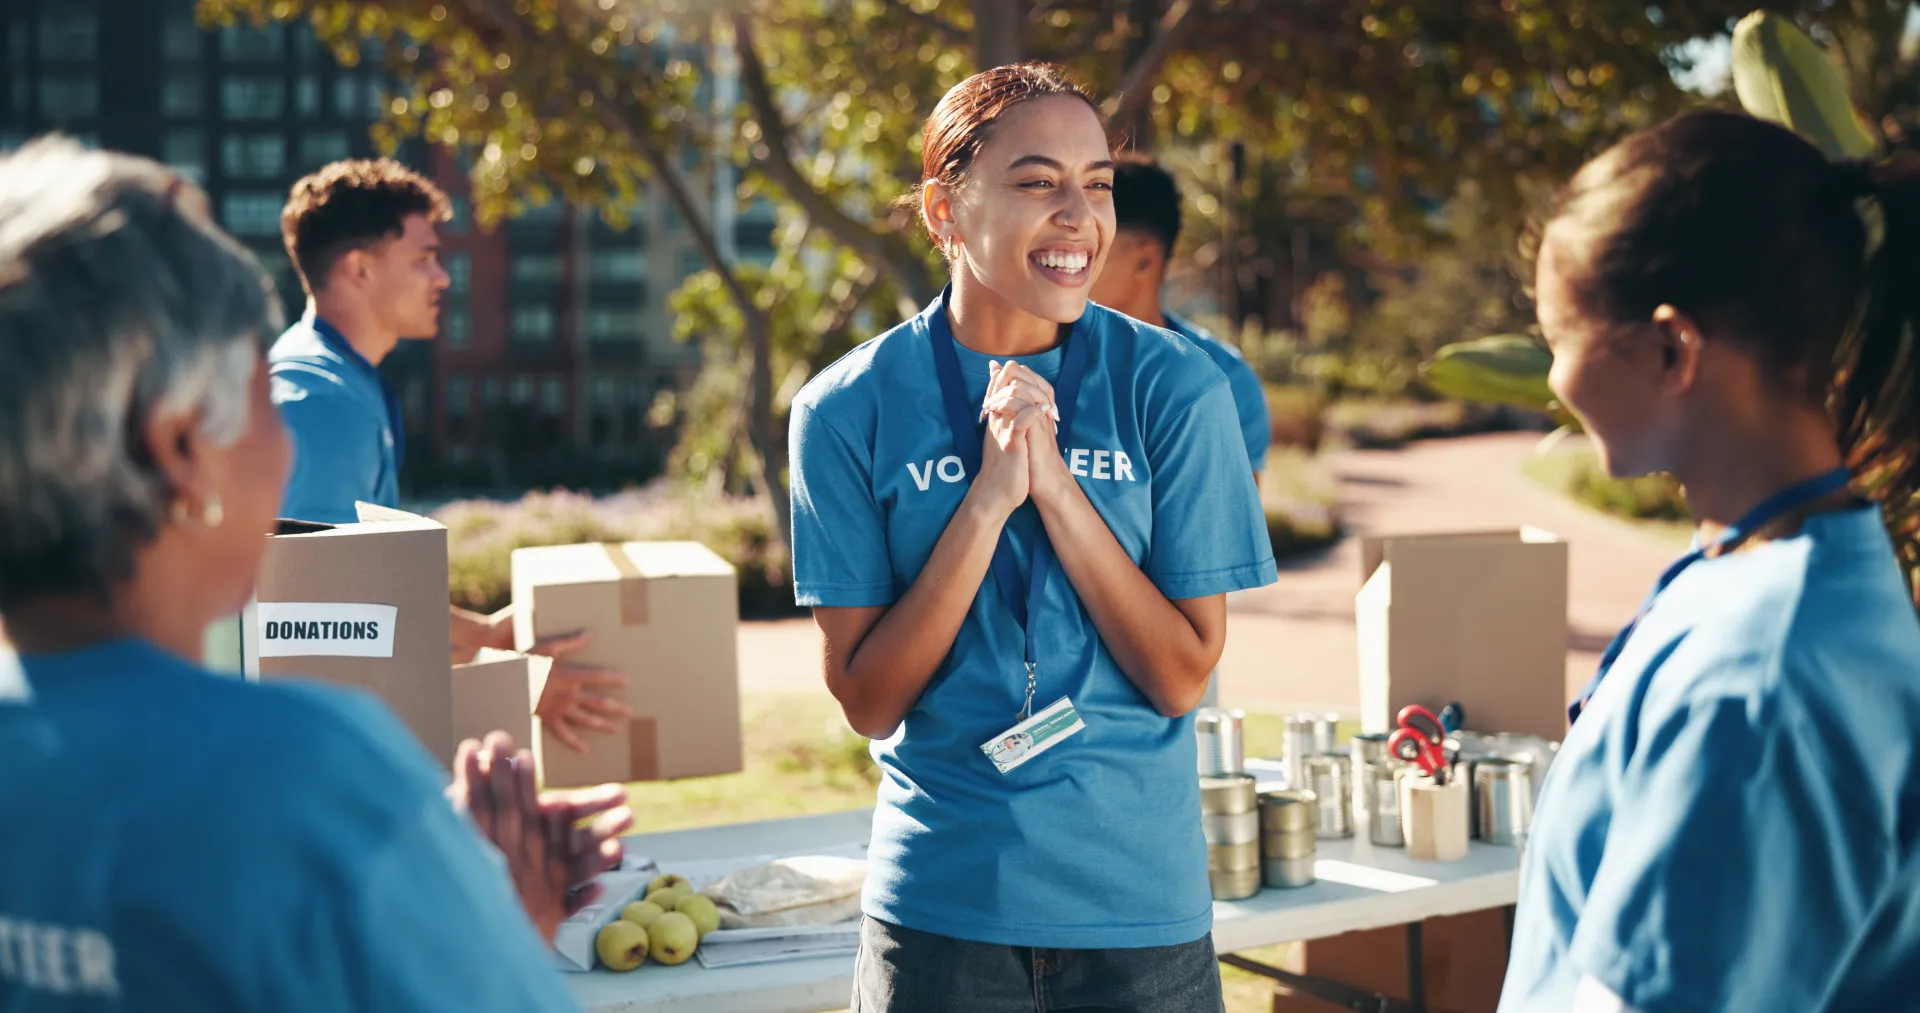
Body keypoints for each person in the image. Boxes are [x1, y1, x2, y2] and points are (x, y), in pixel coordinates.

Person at [0, 137, 625, 1009]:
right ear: (180, 448)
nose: (284, 438)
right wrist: (502, 924)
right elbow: (336, 621)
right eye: (260, 395)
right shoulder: (315, 777)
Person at [788, 64, 1276, 1012]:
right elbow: (869, 695)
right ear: (944, 209)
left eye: (1096, 184)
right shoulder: (845, 409)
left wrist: (1054, 488)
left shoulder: (1176, 389)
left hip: (1141, 914)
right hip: (941, 912)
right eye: (1037, 181)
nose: (1079, 216)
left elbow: (1181, 672)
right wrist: (987, 500)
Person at [1500, 109, 1920, 1012]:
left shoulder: (1762, 677)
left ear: (1670, 348)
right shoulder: (1766, 570)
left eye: (1559, 341)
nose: (1553, 383)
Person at [270, 159, 627, 754]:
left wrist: (482, 636)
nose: (443, 277)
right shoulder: (320, 405)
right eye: (423, 258)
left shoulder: (342, 384)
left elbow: (367, 594)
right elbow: (320, 624)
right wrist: (515, 687)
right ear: (359, 268)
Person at [1089, 154, 1273, 710]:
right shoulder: (1029, 363)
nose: (1072, 247)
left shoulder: (1221, 381)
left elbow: (1213, 543)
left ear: (1145, 257)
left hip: (1167, 663)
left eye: (1097, 233)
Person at [1089, 154, 1271, 483]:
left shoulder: (1225, 379)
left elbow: (1232, 525)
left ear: (1145, 260)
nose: (1074, 256)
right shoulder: (1038, 359)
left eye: (1094, 246)